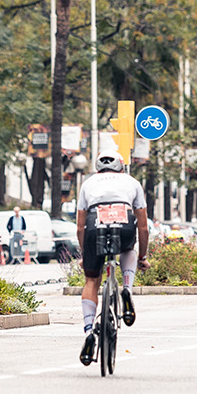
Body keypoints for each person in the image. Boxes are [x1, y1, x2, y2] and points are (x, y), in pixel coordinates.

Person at [75, 152, 149, 366]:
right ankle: (127, 289)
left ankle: (89, 330)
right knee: (128, 248)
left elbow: (80, 227)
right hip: (124, 222)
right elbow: (143, 226)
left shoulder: (87, 184)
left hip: (94, 223)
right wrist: (142, 257)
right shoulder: (132, 182)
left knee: (91, 280)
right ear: (121, 167)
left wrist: (85, 254)